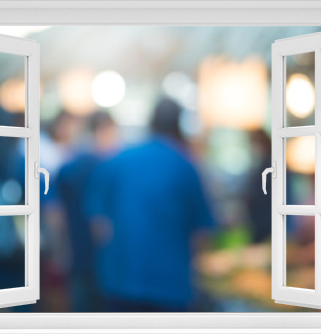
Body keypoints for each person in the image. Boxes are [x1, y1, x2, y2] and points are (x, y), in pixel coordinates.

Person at [86, 98, 215, 312]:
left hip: (120, 281)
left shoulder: (116, 161)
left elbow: (98, 226)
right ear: (178, 125)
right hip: (171, 287)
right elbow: (202, 234)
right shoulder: (186, 166)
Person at [57, 111, 119, 312]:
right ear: (104, 131)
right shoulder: (109, 168)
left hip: (75, 253)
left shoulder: (67, 166)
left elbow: (56, 214)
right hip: (106, 259)